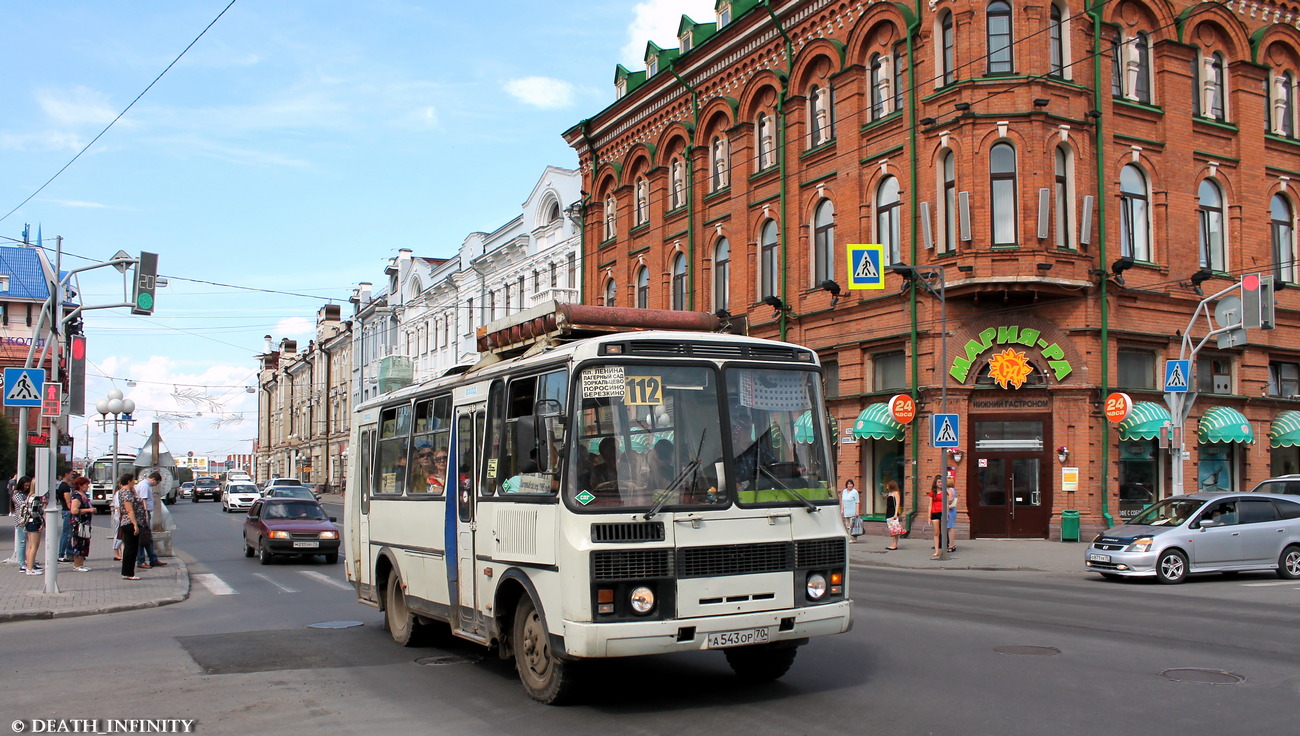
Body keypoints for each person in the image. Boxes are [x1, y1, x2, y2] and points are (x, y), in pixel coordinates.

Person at [134, 472, 167, 569]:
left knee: (147, 538)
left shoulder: (144, 485)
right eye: (156, 483)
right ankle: (141, 561)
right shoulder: (144, 486)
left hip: (144, 513)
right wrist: (146, 515)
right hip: (144, 513)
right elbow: (143, 500)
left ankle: (153, 559)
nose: (156, 485)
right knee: (143, 538)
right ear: (153, 479)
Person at [116, 474, 144, 580]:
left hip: (129, 522)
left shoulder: (126, 491)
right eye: (133, 481)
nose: (134, 482)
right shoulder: (126, 493)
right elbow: (129, 509)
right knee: (130, 548)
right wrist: (135, 524)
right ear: (128, 481)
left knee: (131, 548)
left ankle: (128, 572)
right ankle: (128, 573)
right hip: (129, 522)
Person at [68, 477, 94, 572]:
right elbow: (74, 510)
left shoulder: (84, 495)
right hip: (78, 523)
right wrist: (88, 510)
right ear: (80, 485)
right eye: (85, 485)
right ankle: (77, 564)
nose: (87, 486)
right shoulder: (76, 496)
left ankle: (81, 564)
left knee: (84, 543)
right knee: (78, 543)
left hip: (85, 523)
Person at [21, 480, 45, 576]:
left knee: (31, 546)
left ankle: (29, 567)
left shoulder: (29, 497)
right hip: (34, 522)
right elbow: (34, 512)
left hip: (28, 522)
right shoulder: (36, 497)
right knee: (34, 546)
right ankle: (30, 568)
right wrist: (41, 522)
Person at [10, 476, 33, 571]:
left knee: (31, 543)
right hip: (21, 521)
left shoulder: (26, 493)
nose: (27, 487)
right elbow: (23, 504)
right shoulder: (17, 494)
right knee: (22, 542)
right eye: (25, 485)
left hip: (28, 519)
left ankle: (30, 561)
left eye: (28, 486)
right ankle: (22, 563)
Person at [56, 467, 75, 562]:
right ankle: (61, 554)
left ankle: (70, 552)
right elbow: (68, 502)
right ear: (66, 474)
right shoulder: (65, 487)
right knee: (66, 534)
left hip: (66, 511)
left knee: (68, 534)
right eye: (71, 474)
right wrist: (73, 510)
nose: (72, 476)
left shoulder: (63, 485)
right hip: (67, 511)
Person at [926, 475, 946, 559]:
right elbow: (930, 505)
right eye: (939, 482)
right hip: (935, 512)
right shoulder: (932, 493)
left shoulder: (945, 492)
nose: (940, 484)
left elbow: (947, 504)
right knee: (936, 532)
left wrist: (947, 514)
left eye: (941, 482)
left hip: (943, 512)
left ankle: (944, 549)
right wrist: (929, 517)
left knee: (943, 531)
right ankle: (937, 550)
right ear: (936, 483)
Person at [884, 479, 903, 550]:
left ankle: (895, 544)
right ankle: (893, 543)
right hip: (888, 511)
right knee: (891, 528)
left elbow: (897, 503)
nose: (887, 487)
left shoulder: (896, 493)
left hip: (893, 511)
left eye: (888, 486)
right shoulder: (889, 493)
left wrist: (896, 513)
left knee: (894, 529)